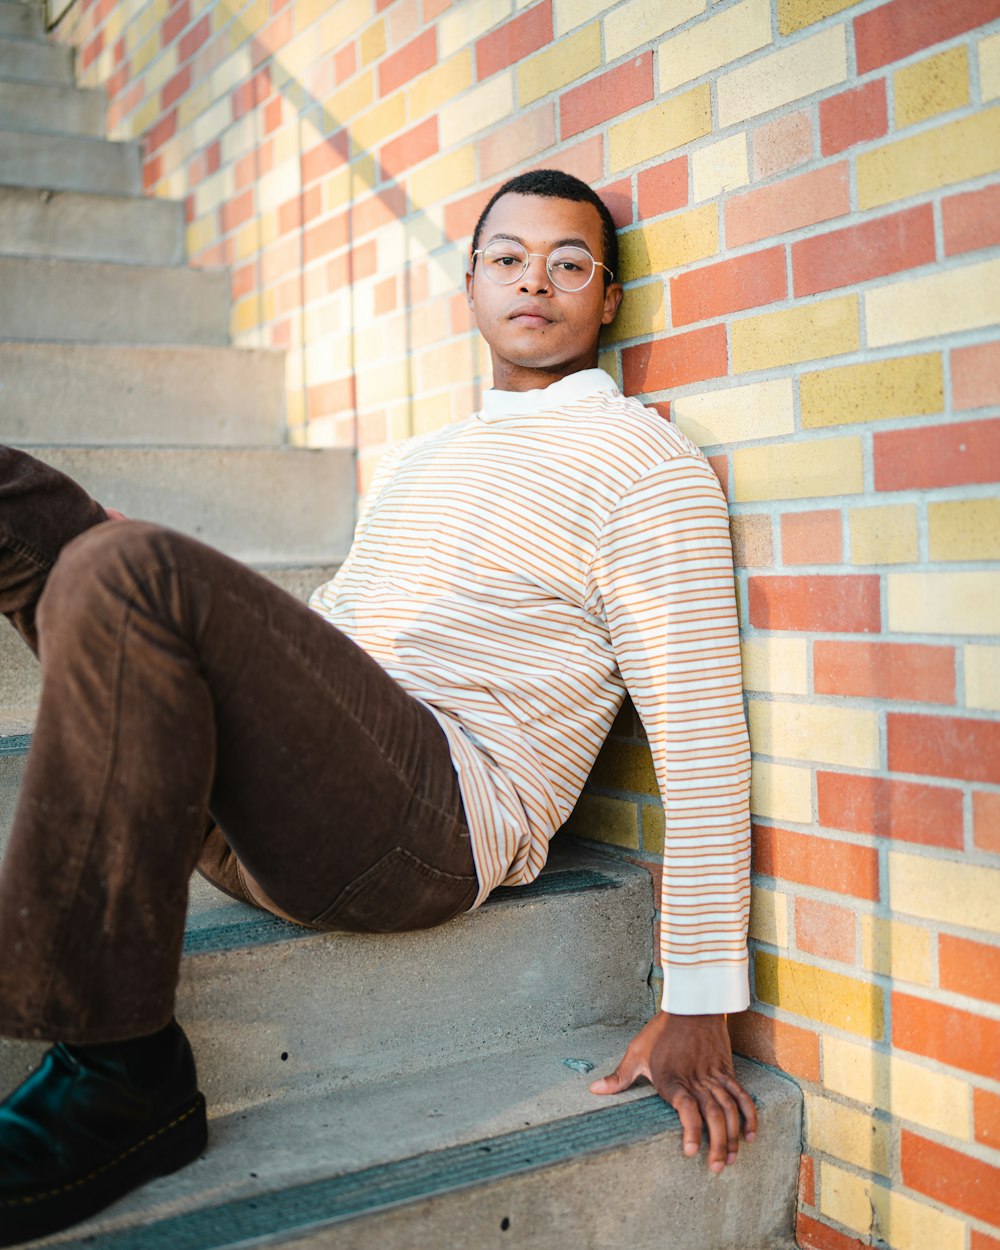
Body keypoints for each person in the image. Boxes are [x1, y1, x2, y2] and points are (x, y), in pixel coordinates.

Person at [0, 169, 756, 1246]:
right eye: (506, 257)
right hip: (291, 795)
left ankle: (122, 1070)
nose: (533, 280)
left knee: (124, 565)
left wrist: (699, 995)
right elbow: (333, 633)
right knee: (29, 509)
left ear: (607, 300)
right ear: (470, 284)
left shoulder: (643, 461)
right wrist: (139, 591)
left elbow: (700, 729)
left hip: (431, 820)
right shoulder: (420, 458)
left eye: (568, 262)